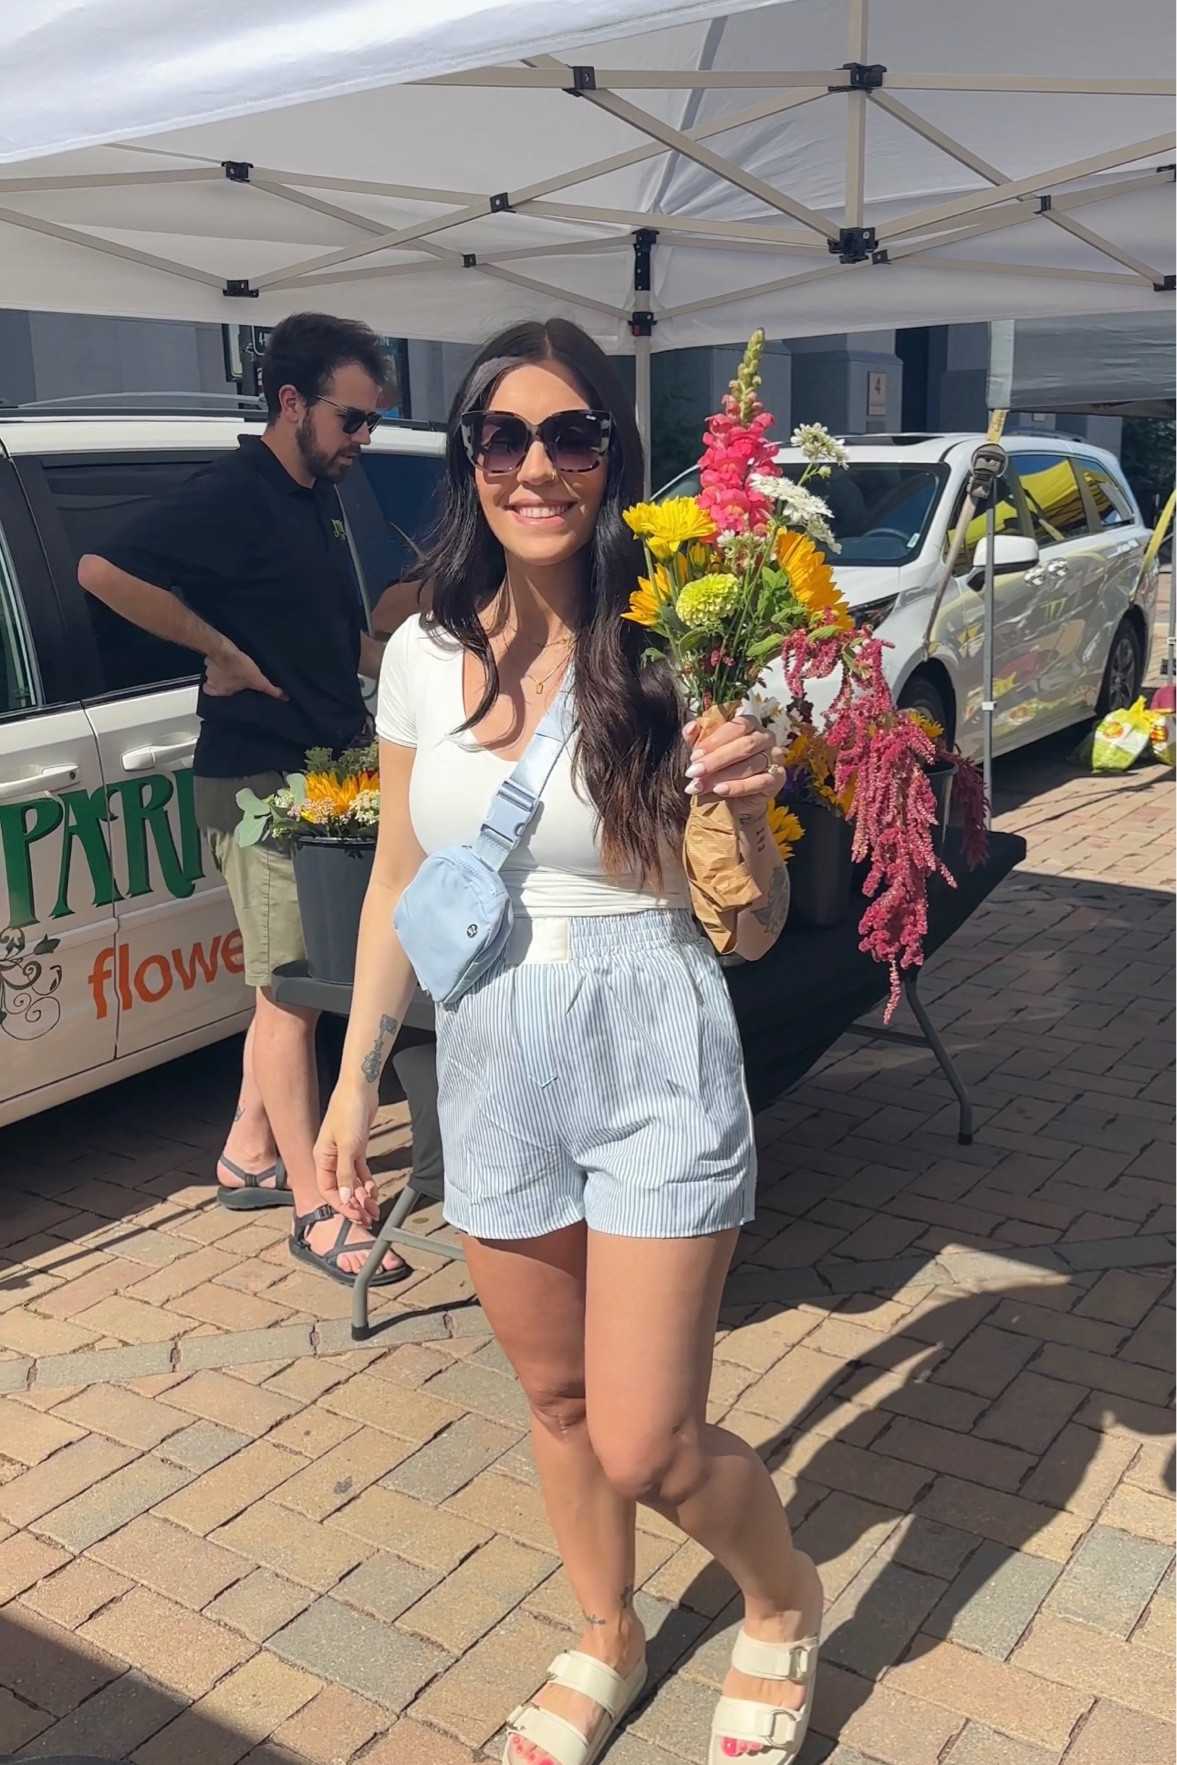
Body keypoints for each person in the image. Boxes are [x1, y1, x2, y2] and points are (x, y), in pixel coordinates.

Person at [315, 317, 824, 1765]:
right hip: (486, 1048)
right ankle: (608, 1631)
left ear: (614, 454)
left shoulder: (683, 635)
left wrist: (737, 806)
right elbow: (404, 885)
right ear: (468, 456)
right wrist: (356, 1079)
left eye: (572, 436)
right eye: (504, 437)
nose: (537, 468)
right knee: (554, 1398)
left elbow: (760, 924)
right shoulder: (422, 647)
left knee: (649, 1437)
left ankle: (782, 1601)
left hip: (650, 1032)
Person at [78, 312, 409, 1286]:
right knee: (293, 990)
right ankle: (316, 1213)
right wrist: (215, 649)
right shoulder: (232, 493)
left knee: (292, 984)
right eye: (352, 419)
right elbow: (101, 571)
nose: (362, 441)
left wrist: (436, 653)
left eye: (372, 424)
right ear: (292, 401)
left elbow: (335, 642)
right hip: (258, 778)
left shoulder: (318, 497)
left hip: (324, 771)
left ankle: (248, 1150)